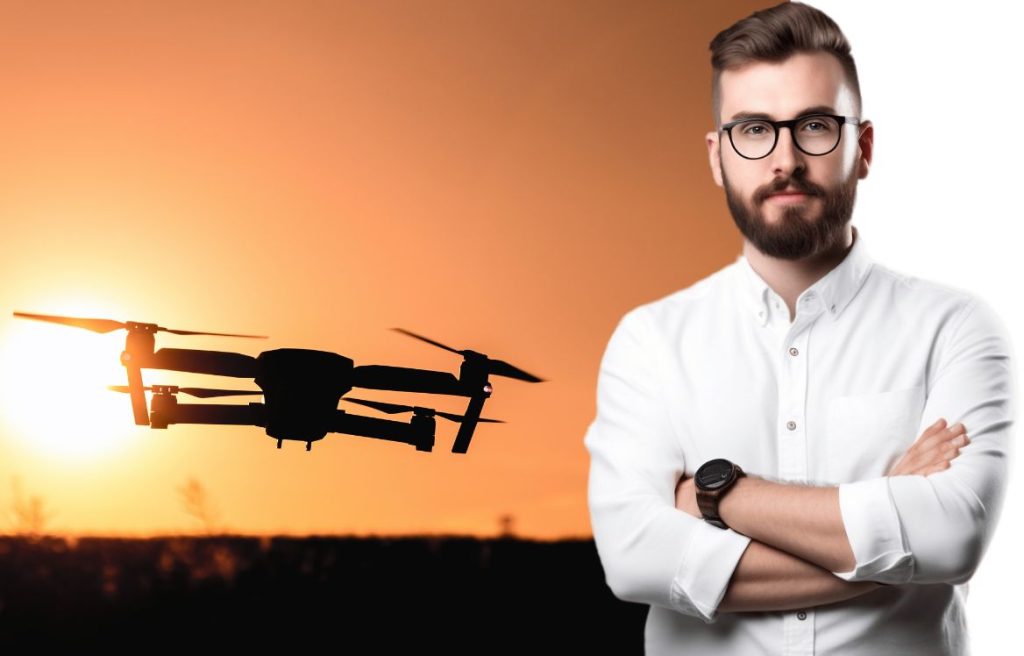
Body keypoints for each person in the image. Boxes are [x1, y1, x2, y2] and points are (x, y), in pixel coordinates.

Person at [583, 2, 1016, 655]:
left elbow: (951, 538)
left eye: (814, 125)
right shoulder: (649, 342)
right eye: (753, 130)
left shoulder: (954, 327)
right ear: (717, 156)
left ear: (862, 147)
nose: (785, 158)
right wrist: (886, 542)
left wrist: (717, 497)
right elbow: (635, 559)